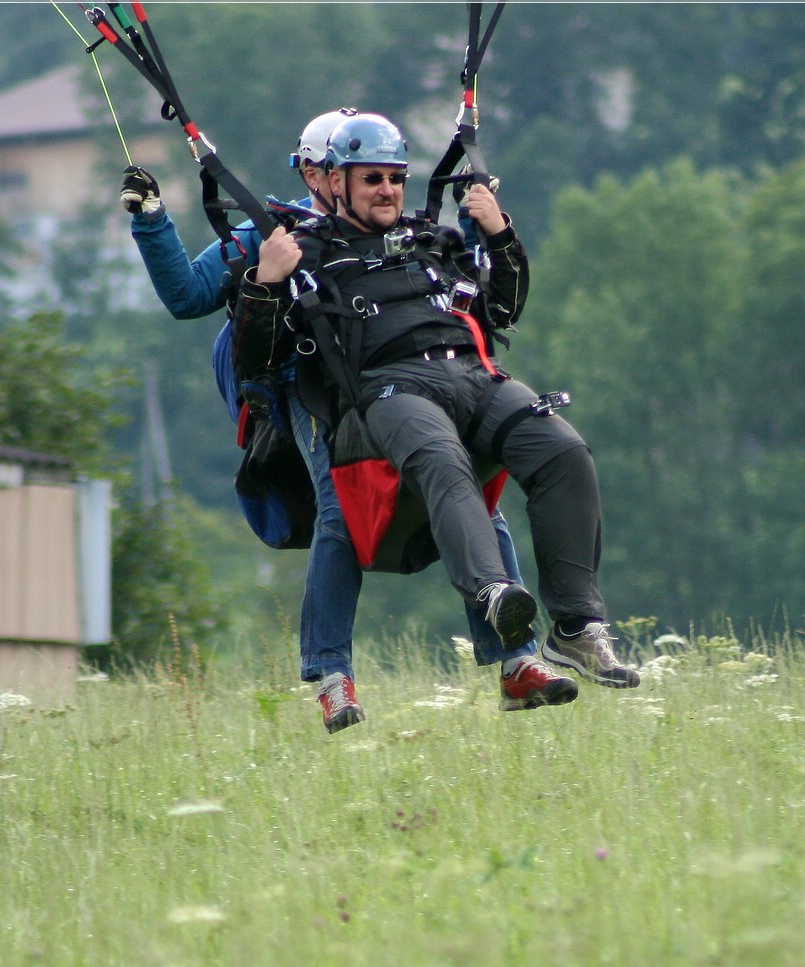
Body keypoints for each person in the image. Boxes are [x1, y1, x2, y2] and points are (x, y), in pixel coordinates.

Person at [121, 110, 549, 732]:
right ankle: (330, 676)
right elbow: (188, 296)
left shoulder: (390, 219)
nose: (374, 186)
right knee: (340, 511)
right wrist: (152, 221)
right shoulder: (273, 229)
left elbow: (462, 286)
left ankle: (516, 664)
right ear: (317, 175)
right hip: (311, 388)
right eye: (344, 171)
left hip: (396, 378)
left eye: (385, 175)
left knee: (477, 501)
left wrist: (488, 232)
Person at [235, 112, 641, 712]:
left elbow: (501, 310)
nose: (387, 190)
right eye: (371, 178)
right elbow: (256, 359)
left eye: (395, 178)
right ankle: (495, 595)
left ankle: (575, 625)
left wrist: (500, 235)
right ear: (336, 184)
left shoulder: (433, 238)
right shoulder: (306, 253)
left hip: (472, 377)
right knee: (442, 458)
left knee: (563, 450)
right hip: (389, 394)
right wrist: (265, 285)